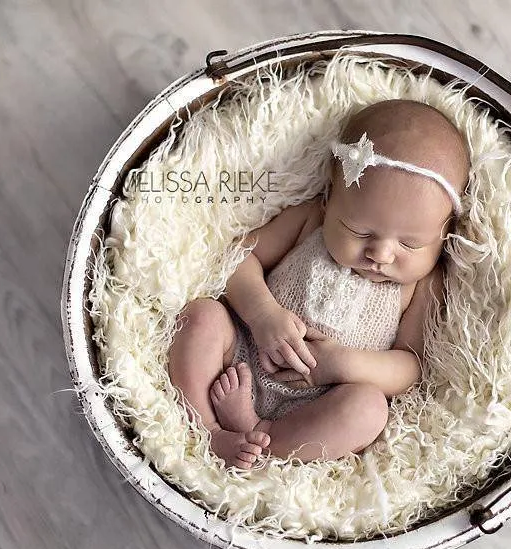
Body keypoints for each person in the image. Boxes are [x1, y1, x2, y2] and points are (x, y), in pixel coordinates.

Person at [168, 99, 471, 469]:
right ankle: (211, 430)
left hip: (319, 399)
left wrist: (345, 365)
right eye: (360, 231)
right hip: (243, 353)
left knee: (369, 409)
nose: (381, 254)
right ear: (329, 199)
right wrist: (263, 314)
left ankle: (264, 438)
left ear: (443, 236)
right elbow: (239, 259)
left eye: (410, 244)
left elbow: (410, 366)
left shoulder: (422, 283)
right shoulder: (310, 220)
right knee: (202, 316)